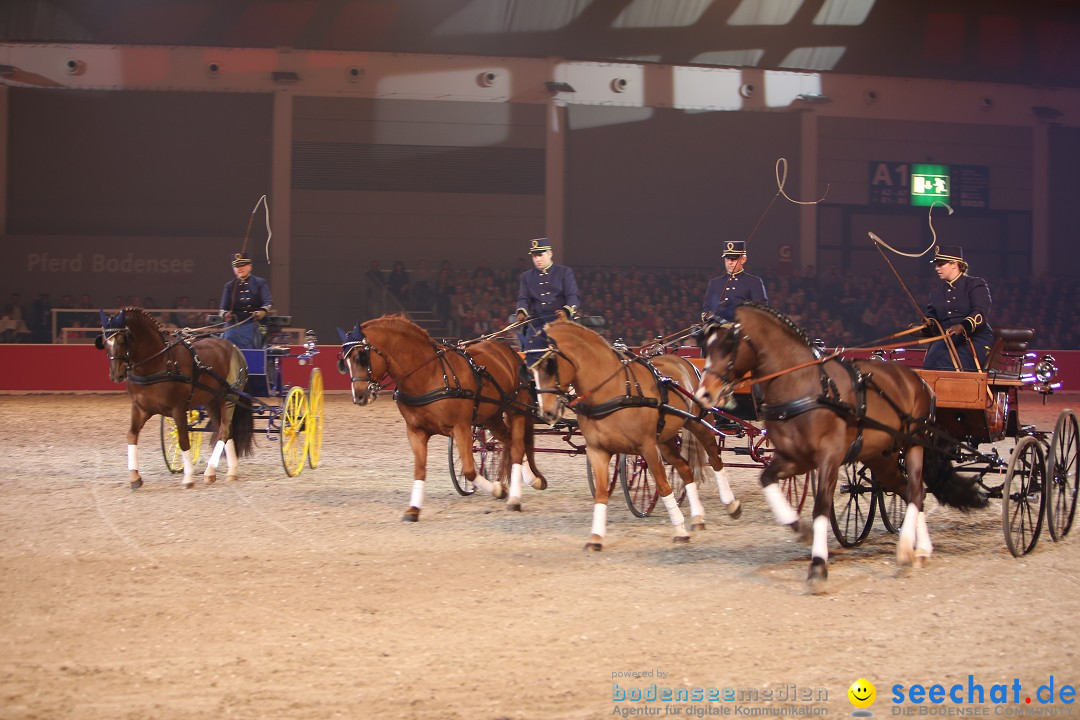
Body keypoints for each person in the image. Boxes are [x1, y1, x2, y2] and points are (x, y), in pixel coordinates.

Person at [921, 245, 993, 371]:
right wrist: (927, 325)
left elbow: (980, 312)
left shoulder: (975, 284)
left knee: (951, 362)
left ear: (954, 264)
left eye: (941, 264)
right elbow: (932, 317)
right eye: (936, 265)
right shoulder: (936, 292)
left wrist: (963, 326)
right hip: (945, 341)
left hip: (973, 339)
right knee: (931, 363)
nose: (937, 268)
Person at [515, 237, 581, 363]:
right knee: (529, 352)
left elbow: (573, 296)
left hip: (560, 320)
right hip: (537, 321)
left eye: (540, 255)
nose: (537, 259)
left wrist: (566, 311)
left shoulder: (564, 272)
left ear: (550, 254)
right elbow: (523, 298)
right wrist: (521, 311)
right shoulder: (526, 276)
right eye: (534, 256)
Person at [701, 240, 767, 323]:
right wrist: (708, 315)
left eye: (734, 259)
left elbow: (760, 310)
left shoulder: (754, 282)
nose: (730, 262)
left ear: (743, 259)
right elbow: (707, 309)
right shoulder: (714, 283)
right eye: (727, 259)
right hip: (718, 326)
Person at [220, 252, 272, 349]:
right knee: (228, 339)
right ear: (233, 269)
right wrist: (225, 315)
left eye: (243, 265)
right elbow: (222, 309)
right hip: (234, 324)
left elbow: (267, 302)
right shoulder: (229, 286)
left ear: (250, 266)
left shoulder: (260, 283)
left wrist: (262, 312)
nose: (240, 268)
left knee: (251, 340)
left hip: (254, 323)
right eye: (237, 266)